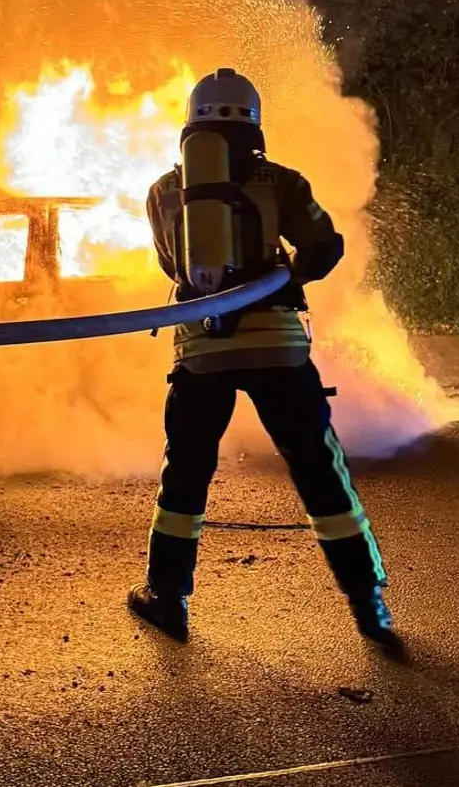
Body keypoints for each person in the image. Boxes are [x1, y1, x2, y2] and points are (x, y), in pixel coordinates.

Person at [128, 68, 402, 657]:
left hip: (202, 351)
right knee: (319, 470)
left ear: (191, 122)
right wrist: (282, 275)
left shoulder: (162, 191)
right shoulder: (282, 182)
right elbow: (324, 249)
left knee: (186, 473)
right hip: (278, 348)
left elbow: (172, 266)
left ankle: (168, 597)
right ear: (254, 122)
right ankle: (368, 603)